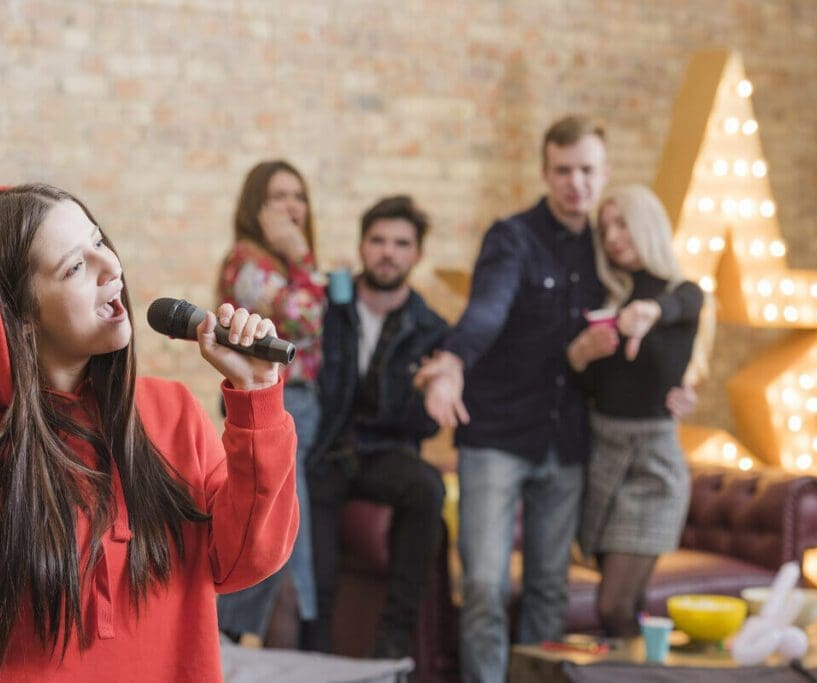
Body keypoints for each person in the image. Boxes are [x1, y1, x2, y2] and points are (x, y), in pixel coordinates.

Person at [0, 184, 298, 682]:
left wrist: (256, 395)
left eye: (100, 242)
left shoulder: (174, 414)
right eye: (75, 267)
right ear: (19, 315)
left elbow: (244, 562)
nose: (112, 268)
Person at [416, 115, 695, 683]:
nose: (576, 183)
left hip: (569, 443)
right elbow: (487, 310)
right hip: (495, 436)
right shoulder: (513, 238)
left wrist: (675, 386)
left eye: (588, 170)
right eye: (563, 170)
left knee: (549, 590)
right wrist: (452, 361)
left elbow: (670, 305)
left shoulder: (609, 251)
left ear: (604, 172)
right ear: (545, 172)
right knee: (486, 587)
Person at [301, 195, 448, 659]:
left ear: (417, 255)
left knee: (427, 487)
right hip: (328, 450)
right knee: (318, 571)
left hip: (384, 453)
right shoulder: (328, 307)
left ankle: (392, 652)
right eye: (378, 241)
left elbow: (424, 428)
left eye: (401, 243)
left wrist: (425, 393)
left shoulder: (430, 328)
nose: (389, 252)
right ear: (362, 247)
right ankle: (316, 661)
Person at [566, 184, 704, 637]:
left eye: (622, 223)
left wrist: (649, 312)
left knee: (612, 607)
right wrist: (580, 355)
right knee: (627, 607)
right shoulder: (603, 300)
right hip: (603, 454)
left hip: (653, 463)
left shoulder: (682, 297)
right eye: (605, 228)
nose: (612, 237)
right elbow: (588, 386)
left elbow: (682, 303)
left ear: (648, 224)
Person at [215, 160, 326, 646]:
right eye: (278, 197)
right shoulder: (246, 262)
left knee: (288, 545)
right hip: (273, 406)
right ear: (254, 208)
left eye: (298, 196)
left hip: (307, 409)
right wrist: (304, 260)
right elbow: (306, 320)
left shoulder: (279, 266)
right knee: (285, 554)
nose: (291, 207)